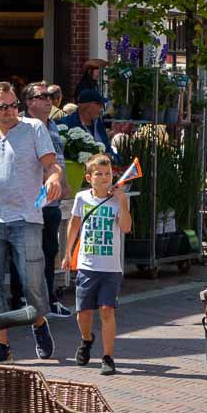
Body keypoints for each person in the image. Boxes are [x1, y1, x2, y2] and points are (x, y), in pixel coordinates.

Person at [0, 82, 62, 363]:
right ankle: (1, 346)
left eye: (13, 106)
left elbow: (51, 164)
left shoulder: (34, 128)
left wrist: (54, 178)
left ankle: (38, 322)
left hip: (26, 217)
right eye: (3, 106)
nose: (10, 111)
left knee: (32, 282)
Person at [68, 153, 131, 375]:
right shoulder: (82, 198)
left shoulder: (117, 200)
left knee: (106, 310)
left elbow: (126, 228)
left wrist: (123, 202)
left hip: (111, 267)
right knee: (83, 312)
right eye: (99, 174)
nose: (105, 178)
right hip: (87, 265)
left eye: (108, 174)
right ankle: (86, 339)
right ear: (89, 178)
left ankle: (108, 357)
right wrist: (67, 252)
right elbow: (74, 225)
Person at [23, 82, 69, 318]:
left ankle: (48, 299)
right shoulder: (23, 127)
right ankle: (25, 300)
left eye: (49, 96)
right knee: (29, 255)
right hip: (32, 203)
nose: (48, 100)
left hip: (52, 202)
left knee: (50, 251)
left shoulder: (53, 126)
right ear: (29, 102)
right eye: (42, 96)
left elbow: (58, 159)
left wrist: (64, 183)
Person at [60, 88, 115, 160]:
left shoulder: (98, 123)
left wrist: (112, 157)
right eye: (99, 104)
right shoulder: (65, 124)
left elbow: (107, 147)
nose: (102, 108)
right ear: (87, 106)